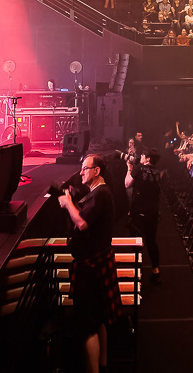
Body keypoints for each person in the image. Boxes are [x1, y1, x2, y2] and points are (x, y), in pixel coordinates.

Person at [58, 154, 122, 373]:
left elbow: (83, 223)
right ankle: (102, 365)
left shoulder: (101, 193)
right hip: (97, 264)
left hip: (90, 269)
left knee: (87, 326)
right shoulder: (100, 192)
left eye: (85, 168)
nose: (81, 172)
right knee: (99, 318)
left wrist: (68, 204)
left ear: (97, 171)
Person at [125, 147, 162, 284]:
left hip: (139, 212)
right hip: (153, 212)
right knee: (151, 241)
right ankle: (155, 270)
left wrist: (129, 169)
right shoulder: (157, 172)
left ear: (147, 159)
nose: (140, 157)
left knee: (136, 241)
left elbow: (127, 184)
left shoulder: (139, 168)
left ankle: (136, 271)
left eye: (142, 155)